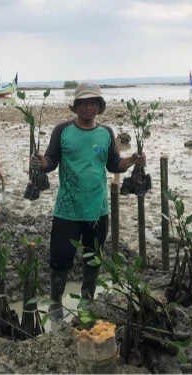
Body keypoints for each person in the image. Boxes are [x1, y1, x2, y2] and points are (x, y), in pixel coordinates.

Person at [31, 82, 145, 322]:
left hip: (97, 211)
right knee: (60, 258)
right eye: (84, 103)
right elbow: (51, 161)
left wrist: (133, 159)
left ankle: (87, 302)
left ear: (99, 107)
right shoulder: (62, 131)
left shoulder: (106, 133)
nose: (89, 107)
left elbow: (113, 165)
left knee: (93, 258)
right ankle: (55, 304)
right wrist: (40, 162)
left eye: (93, 103)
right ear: (76, 106)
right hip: (67, 210)